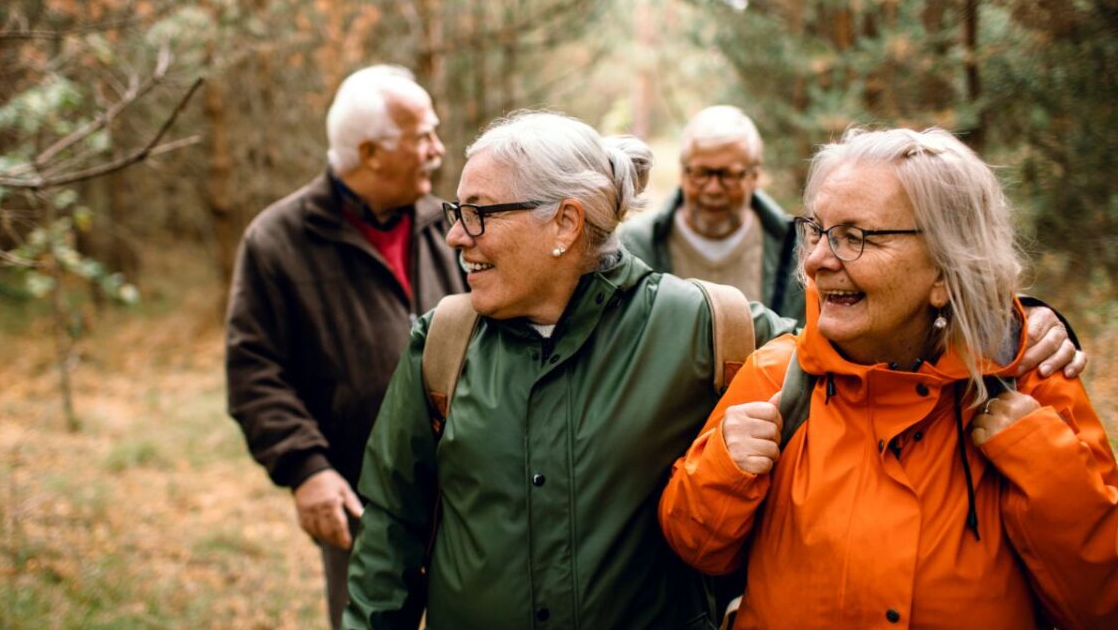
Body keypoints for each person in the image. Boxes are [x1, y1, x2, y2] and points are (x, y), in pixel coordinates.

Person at [342, 114, 1085, 629]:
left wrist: (1019, 320)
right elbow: (390, 535)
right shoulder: (442, 343)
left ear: (564, 223)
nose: (457, 235)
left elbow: (873, 344)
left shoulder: (706, 327)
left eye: (479, 213)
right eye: (457, 212)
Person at [659, 127, 1117, 629]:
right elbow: (698, 551)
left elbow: (1099, 604)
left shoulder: (1034, 387)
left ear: (945, 271)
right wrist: (723, 469)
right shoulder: (775, 379)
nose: (815, 261)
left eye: (854, 237)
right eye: (817, 231)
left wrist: (1041, 460)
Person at [225, 65, 466, 630]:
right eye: (423, 136)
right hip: (363, 500)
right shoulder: (277, 240)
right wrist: (306, 468)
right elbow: (254, 370)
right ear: (371, 152)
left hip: (469, 484)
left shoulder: (449, 225)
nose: (438, 148)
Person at [620, 105, 805, 320]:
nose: (713, 189)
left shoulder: (794, 250)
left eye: (728, 175)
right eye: (701, 173)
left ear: (754, 176)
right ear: (682, 172)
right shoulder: (636, 245)